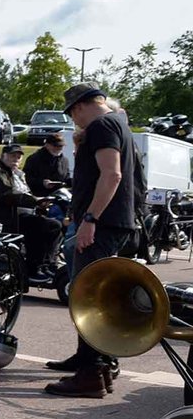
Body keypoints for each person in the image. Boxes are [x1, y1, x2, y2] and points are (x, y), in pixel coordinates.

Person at [45, 83, 139, 398]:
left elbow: (111, 175)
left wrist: (90, 219)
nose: (74, 120)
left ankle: (90, 373)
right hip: (113, 222)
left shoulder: (101, 125)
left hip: (102, 224)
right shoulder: (118, 124)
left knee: (88, 296)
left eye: (72, 113)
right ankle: (93, 361)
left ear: (80, 106)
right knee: (92, 294)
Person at [0, 144, 64, 281]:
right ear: (3, 156)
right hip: (7, 218)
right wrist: (34, 200)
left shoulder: (18, 174)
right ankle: (32, 268)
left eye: (19, 157)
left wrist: (41, 203)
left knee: (56, 226)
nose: (16, 159)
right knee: (47, 226)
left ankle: (47, 264)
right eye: (13, 156)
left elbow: (25, 193)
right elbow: (7, 193)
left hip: (23, 213)